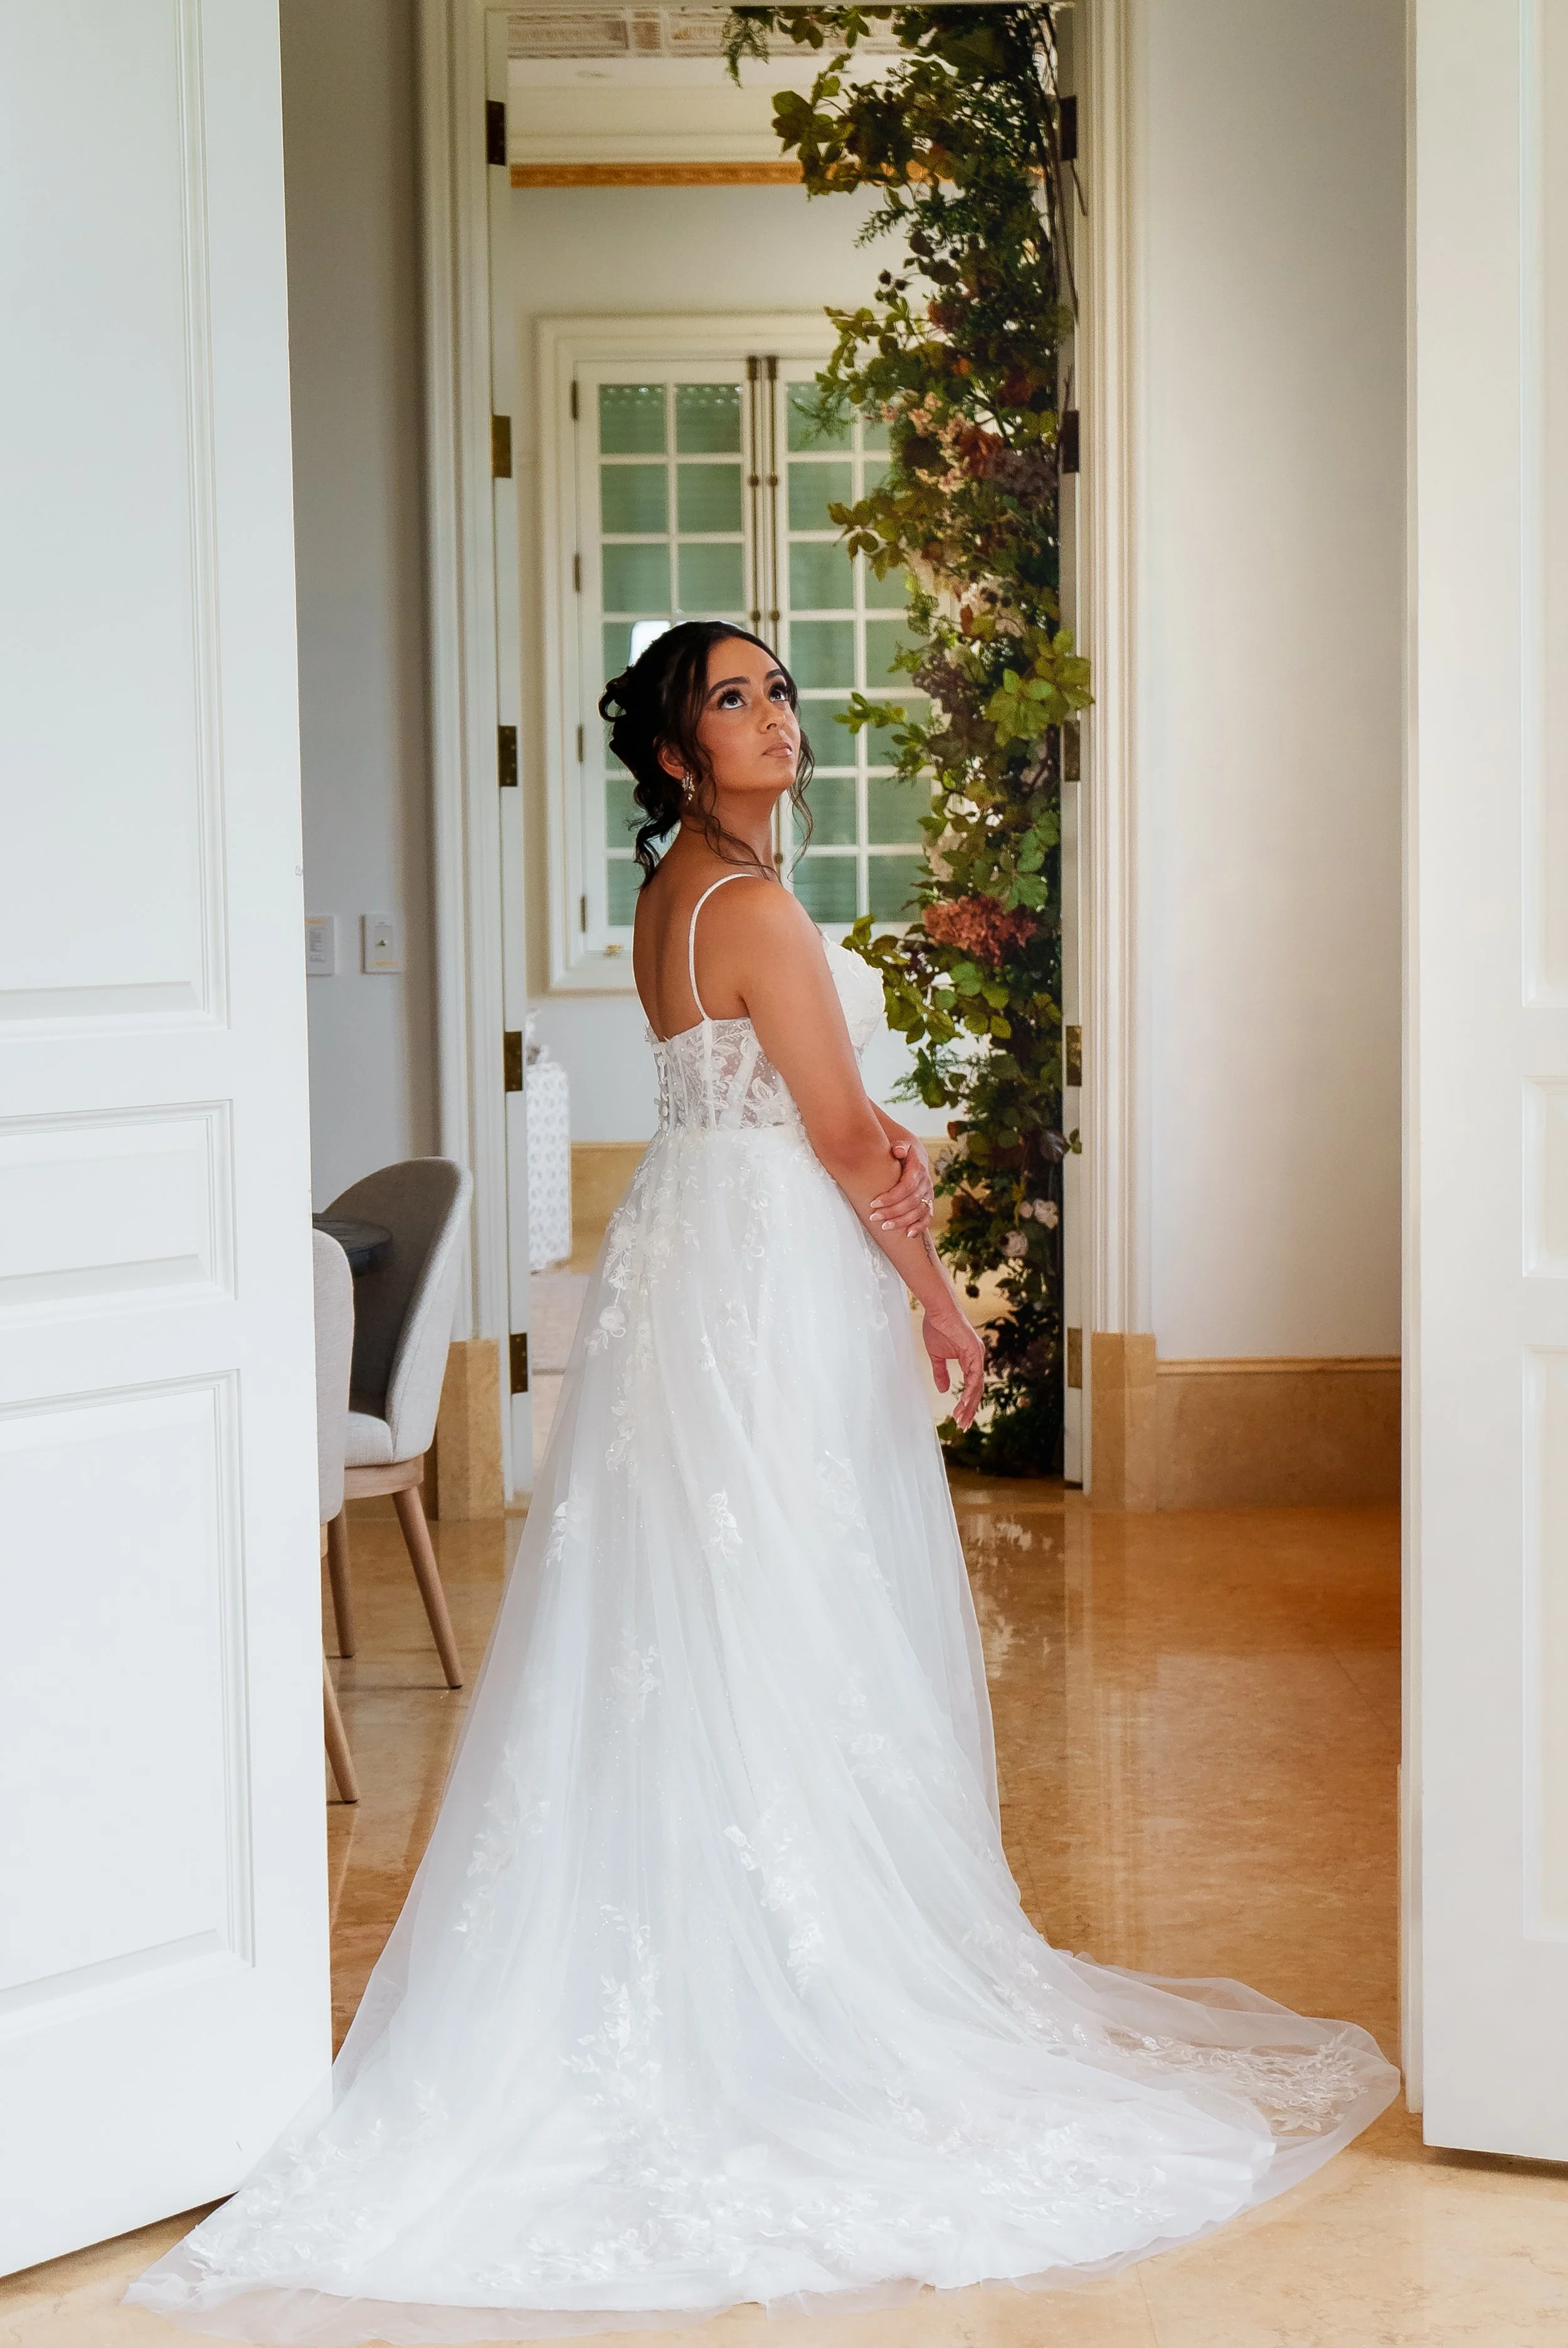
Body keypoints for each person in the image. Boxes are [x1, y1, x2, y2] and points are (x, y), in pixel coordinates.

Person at [131, 623, 1397, 2344]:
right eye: (731, 701)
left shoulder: (672, 900)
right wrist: (938, 1291)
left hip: (694, 1265)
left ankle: (718, 1920)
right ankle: (804, 1972)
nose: (773, 720)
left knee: (698, 1603)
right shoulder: (758, 911)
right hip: (765, 1277)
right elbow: (851, 1138)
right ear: (671, 753)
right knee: (794, 1599)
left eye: (778, 691)